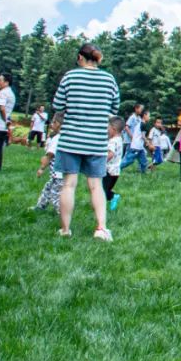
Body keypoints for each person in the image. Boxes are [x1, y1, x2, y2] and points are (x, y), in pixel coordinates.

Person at [52, 43, 119, 241]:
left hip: (70, 139)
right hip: (96, 140)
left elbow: (57, 105)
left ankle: (65, 229)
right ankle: (101, 228)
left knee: (69, 184)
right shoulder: (108, 79)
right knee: (96, 185)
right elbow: (114, 108)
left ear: (81, 57)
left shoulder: (70, 76)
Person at [32, 117, 64, 213]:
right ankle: (40, 206)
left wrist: (42, 168)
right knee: (47, 189)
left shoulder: (57, 138)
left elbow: (50, 155)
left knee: (55, 194)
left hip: (58, 174)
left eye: (54, 122)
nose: (51, 124)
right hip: (62, 173)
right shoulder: (65, 138)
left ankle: (61, 213)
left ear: (59, 124)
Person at [104, 116, 124, 212]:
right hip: (116, 171)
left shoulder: (112, 141)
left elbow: (111, 154)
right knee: (106, 189)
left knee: (102, 191)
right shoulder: (120, 140)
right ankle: (112, 197)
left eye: (108, 128)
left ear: (113, 129)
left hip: (108, 170)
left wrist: (102, 161)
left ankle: (113, 197)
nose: (107, 131)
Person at [121, 105, 149, 173]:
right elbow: (142, 136)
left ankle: (143, 172)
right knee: (129, 160)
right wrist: (148, 142)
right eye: (149, 116)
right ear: (144, 115)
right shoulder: (138, 121)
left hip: (139, 146)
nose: (149, 118)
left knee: (144, 160)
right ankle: (117, 168)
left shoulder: (140, 120)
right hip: (135, 145)